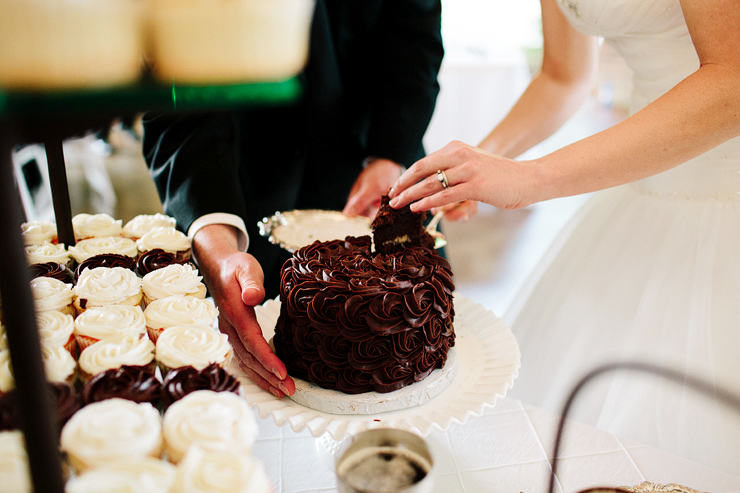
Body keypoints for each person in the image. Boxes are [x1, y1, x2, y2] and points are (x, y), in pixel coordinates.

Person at [388, 0, 740, 475]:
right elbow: (564, 76)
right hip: (644, 196)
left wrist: (529, 179)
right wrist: (479, 165)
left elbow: (732, 79)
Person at [142, 0, 444, 400]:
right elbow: (177, 90)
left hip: (377, 184)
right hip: (238, 196)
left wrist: (389, 155)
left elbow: (413, 37)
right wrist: (217, 245)